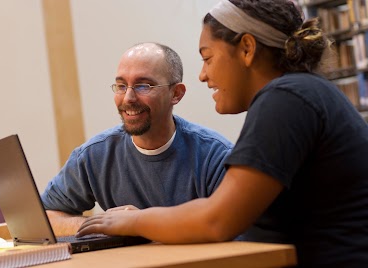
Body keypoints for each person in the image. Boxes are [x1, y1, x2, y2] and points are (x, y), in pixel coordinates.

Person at [76, 1, 368, 267]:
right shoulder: (302, 91)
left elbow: (216, 220)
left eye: (208, 57)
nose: (203, 74)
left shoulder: (286, 97)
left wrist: (131, 220)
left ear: (247, 49)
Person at [41, 42, 234, 237]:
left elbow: (232, 235)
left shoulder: (215, 156)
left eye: (143, 85)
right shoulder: (95, 155)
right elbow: (45, 218)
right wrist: (103, 225)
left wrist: (138, 225)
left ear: (176, 94)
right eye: (121, 86)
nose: (128, 98)